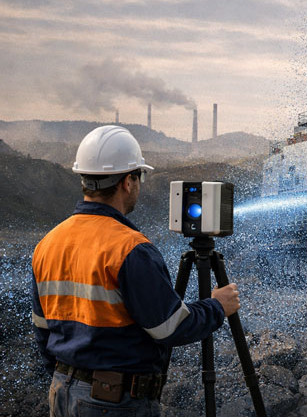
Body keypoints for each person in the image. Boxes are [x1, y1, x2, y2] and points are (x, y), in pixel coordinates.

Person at [31, 125, 240, 416]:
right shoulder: (129, 248)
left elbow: (43, 330)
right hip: (113, 402)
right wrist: (217, 307)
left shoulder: (48, 243)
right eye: (138, 176)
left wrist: (68, 377)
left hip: (62, 393)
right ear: (128, 182)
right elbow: (170, 327)